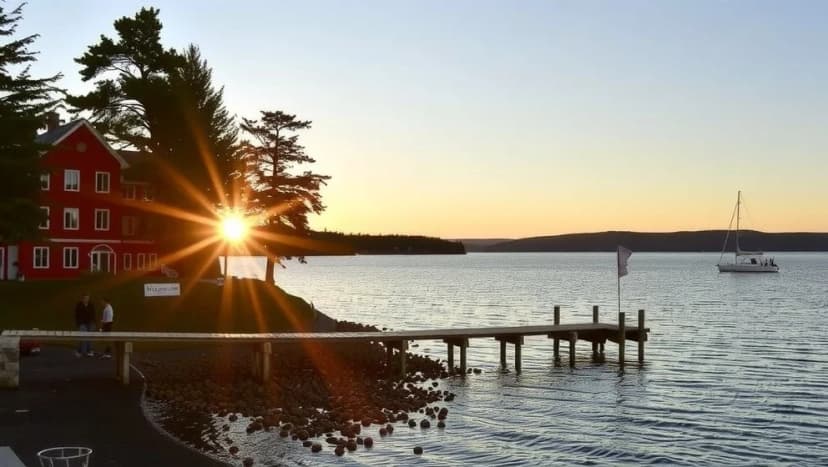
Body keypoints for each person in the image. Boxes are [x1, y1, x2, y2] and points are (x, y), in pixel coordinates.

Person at [74, 293, 96, 357]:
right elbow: (76, 315)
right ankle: (80, 351)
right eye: (85, 298)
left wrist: (94, 323)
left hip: (90, 323)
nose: (86, 299)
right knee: (83, 337)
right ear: (82, 299)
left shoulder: (91, 305)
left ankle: (90, 351)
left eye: (88, 298)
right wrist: (78, 323)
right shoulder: (79, 305)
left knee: (90, 338)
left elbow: (93, 314)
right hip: (82, 323)